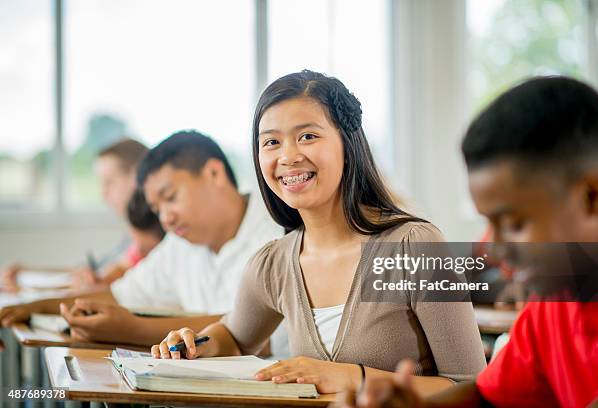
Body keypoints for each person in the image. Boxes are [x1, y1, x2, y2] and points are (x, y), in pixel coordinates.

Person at [152, 70, 486, 395]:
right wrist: (194, 344)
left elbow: (469, 388)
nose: (288, 156)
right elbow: (235, 336)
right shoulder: (274, 262)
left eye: (307, 136)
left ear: (347, 143)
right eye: (271, 142)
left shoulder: (413, 247)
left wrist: (352, 377)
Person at [337, 76, 598, 407]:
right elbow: (488, 397)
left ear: (593, 197)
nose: (493, 249)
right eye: (488, 222)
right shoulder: (553, 305)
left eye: (514, 223)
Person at [0, 131, 285, 348]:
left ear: (213, 173)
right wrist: (34, 306)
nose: (165, 218)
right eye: (157, 209)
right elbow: (118, 294)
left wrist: (132, 328)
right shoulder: (180, 244)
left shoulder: (278, 228)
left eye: (170, 198)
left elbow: (255, 335)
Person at [2, 138, 150, 290]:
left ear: (138, 177)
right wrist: (27, 273)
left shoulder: (149, 237)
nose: (103, 194)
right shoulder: (130, 238)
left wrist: (27, 286)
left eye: (109, 182)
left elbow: (102, 283)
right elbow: (90, 272)